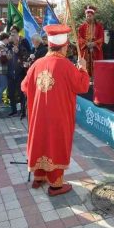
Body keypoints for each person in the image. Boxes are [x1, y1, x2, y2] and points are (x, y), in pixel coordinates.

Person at [22, 25, 90, 195]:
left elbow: (24, 86)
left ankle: (39, 176)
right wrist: (83, 68)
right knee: (55, 144)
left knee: (41, 141)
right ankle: (56, 185)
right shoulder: (66, 65)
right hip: (58, 115)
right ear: (65, 46)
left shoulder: (37, 63)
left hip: (39, 115)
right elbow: (82, 86)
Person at [77, 5, 104, 74]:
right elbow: (79, 38)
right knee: (85, 67)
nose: (88, 17)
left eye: (90, 15)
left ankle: (96, 79)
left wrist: (94, 43)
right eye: (87, 15)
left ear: (93, 16)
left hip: (96, 50)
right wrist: (86, 43)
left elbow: (101, 38)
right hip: (85, 50)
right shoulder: (81, 27)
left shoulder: (99, 26)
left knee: (97, 68)